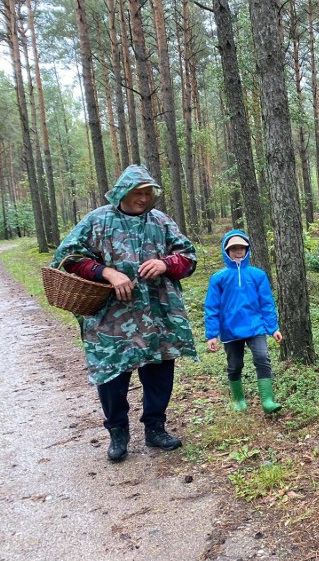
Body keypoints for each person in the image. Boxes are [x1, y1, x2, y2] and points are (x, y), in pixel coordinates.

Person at [51, 164, 198, 462]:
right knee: (111, 374)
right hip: (110, 316)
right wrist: (105, 272)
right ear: (122, 192)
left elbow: (188, 258)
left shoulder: (161, 221)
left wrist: (166, 264)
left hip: (157, 312)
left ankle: (155, 428)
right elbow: (69, 257)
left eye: (148, 193)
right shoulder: (98, 219)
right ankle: (118, 431)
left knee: (159, 369)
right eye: (137, 193)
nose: (143, 198)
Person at [204, 230, 283, 415]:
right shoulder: (218, 278)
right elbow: (211, 307)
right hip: (230, 329)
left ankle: (267, 400)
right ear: (226, 251)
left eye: (241, 247)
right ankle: (238, 400)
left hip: (256, 326)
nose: (238, 251)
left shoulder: (258, 275)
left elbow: (267, 303)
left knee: (262, 358)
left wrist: (273, 328)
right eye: (233, 248)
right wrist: (211, 334)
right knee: (235, 364)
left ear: (247, 249)